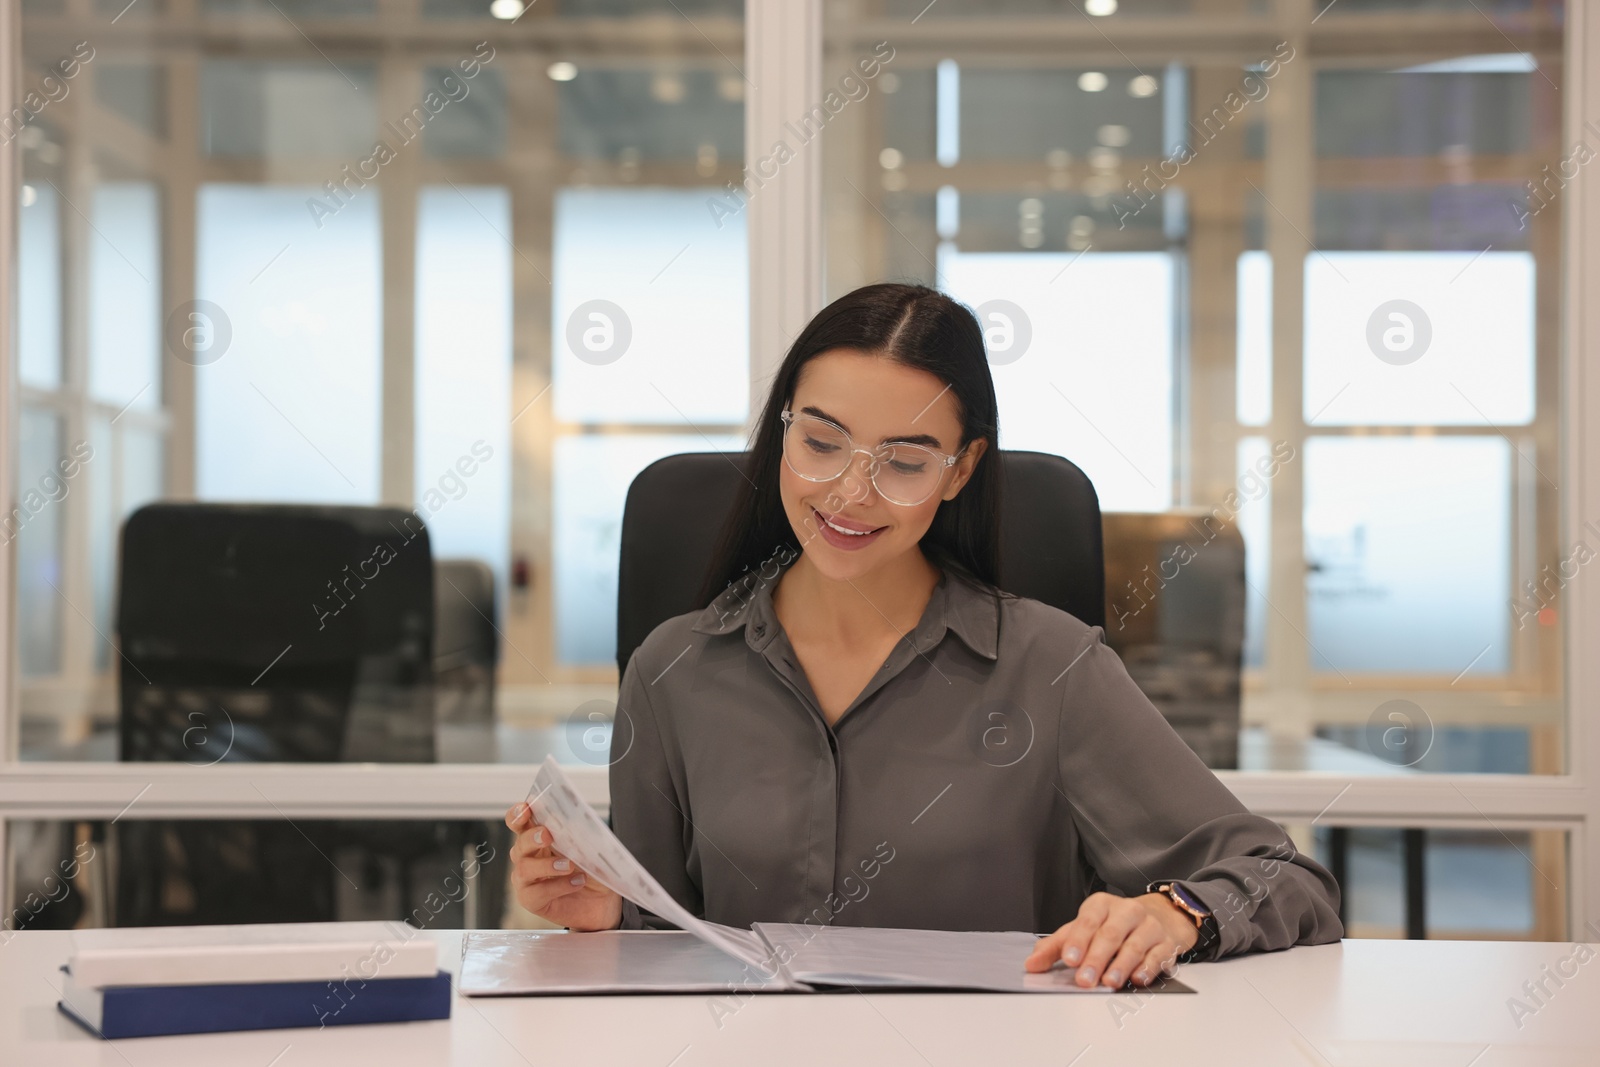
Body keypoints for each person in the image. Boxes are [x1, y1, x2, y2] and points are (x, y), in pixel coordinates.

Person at [506, 282, 1343, 989]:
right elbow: (674, 928)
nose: (849, 493)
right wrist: (612, 909)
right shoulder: (672, 669)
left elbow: (1287, 878)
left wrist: (1172, 912)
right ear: (782, 431)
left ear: (962, 469)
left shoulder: (1051, 667)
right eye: (821, 442)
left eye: (904, 461)